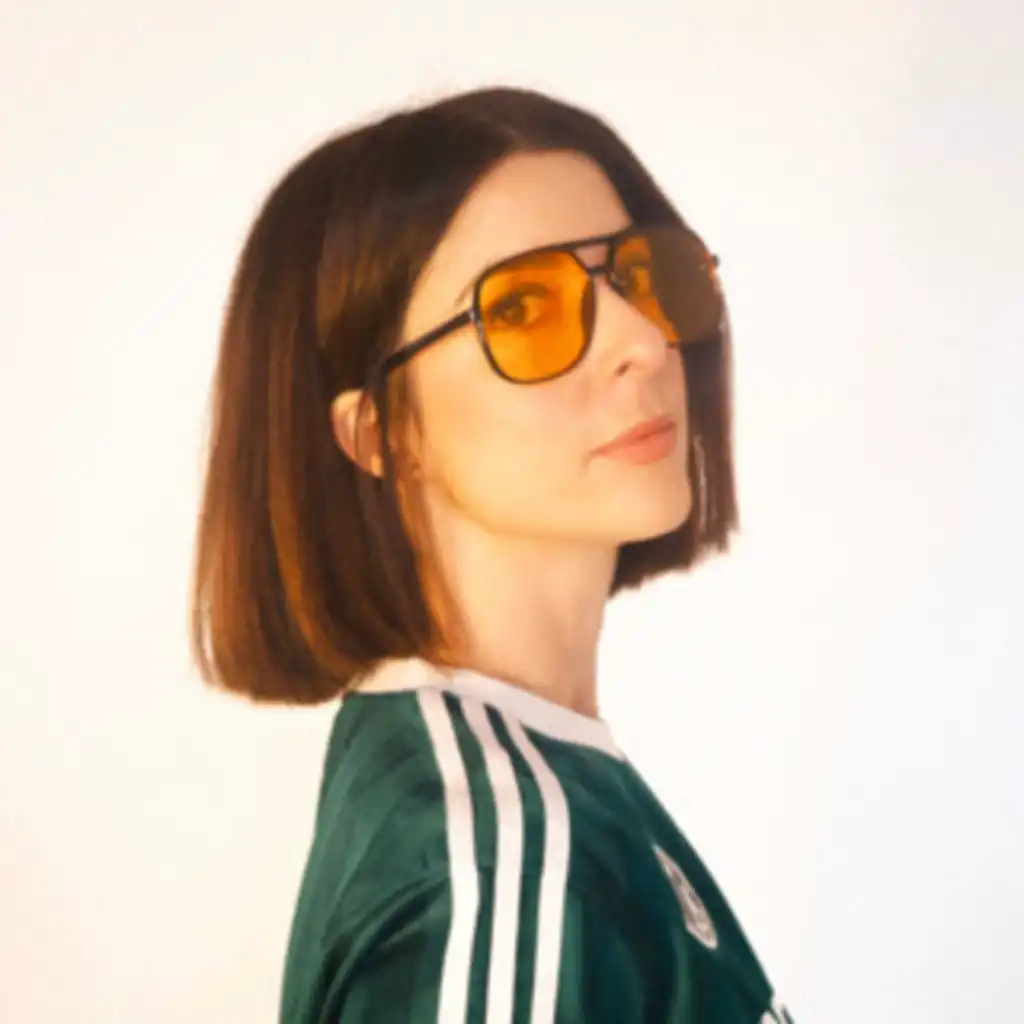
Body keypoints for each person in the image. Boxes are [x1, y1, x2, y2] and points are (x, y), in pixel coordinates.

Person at [189, 85, 796, 1023]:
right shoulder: (498, 864)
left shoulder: (533, 786)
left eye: (640, 276)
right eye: (520, 309)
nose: (642, 339)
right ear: (381, 432)